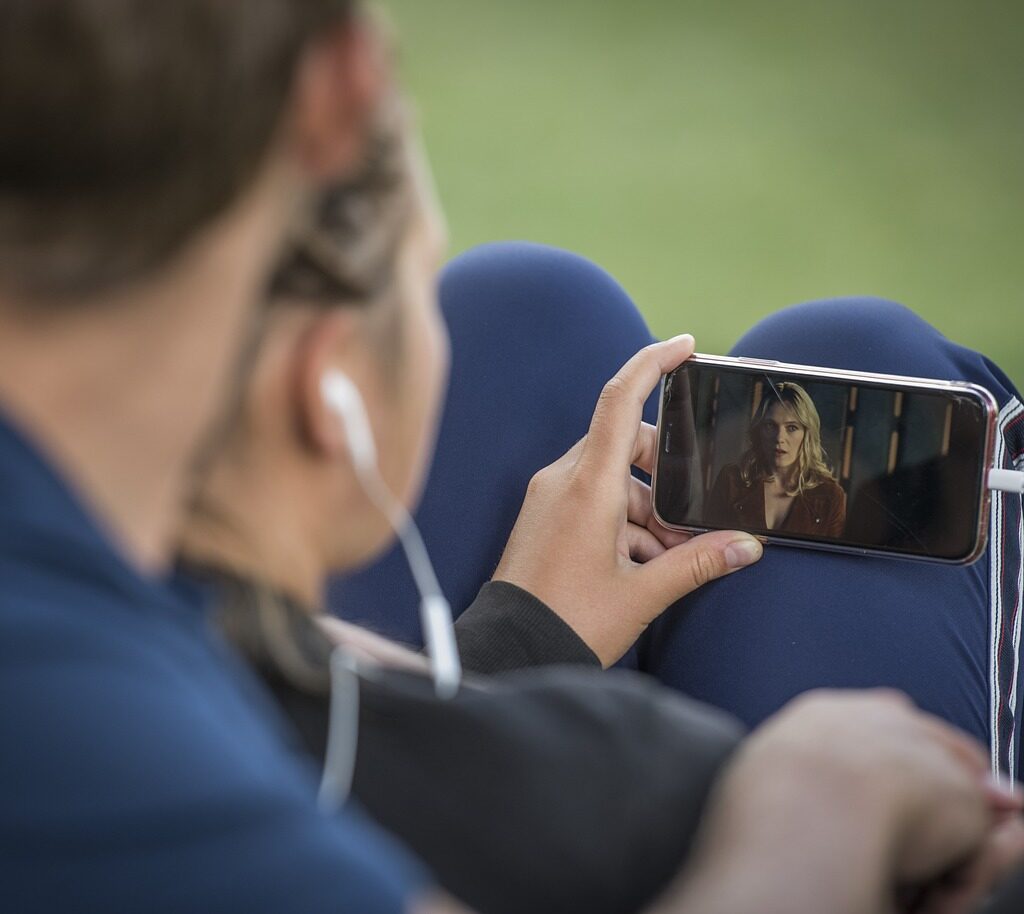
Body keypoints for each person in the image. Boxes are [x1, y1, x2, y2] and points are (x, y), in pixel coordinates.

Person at [1, 2, 1021, 913]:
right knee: (861, 355)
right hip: (768, 824)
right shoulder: (89, 751)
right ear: (330, 388)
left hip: (521, 700)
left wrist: (522, 638)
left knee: (529, 307)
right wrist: (816, 807)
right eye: (415, 276)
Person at [705, 381, 846, 537]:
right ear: (759, 430)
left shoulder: (830, 495)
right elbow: (706, 542)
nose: (779, 438)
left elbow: (831, 560)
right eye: (770, 426)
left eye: (791, 428)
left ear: (807, 434)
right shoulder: (731, 480)